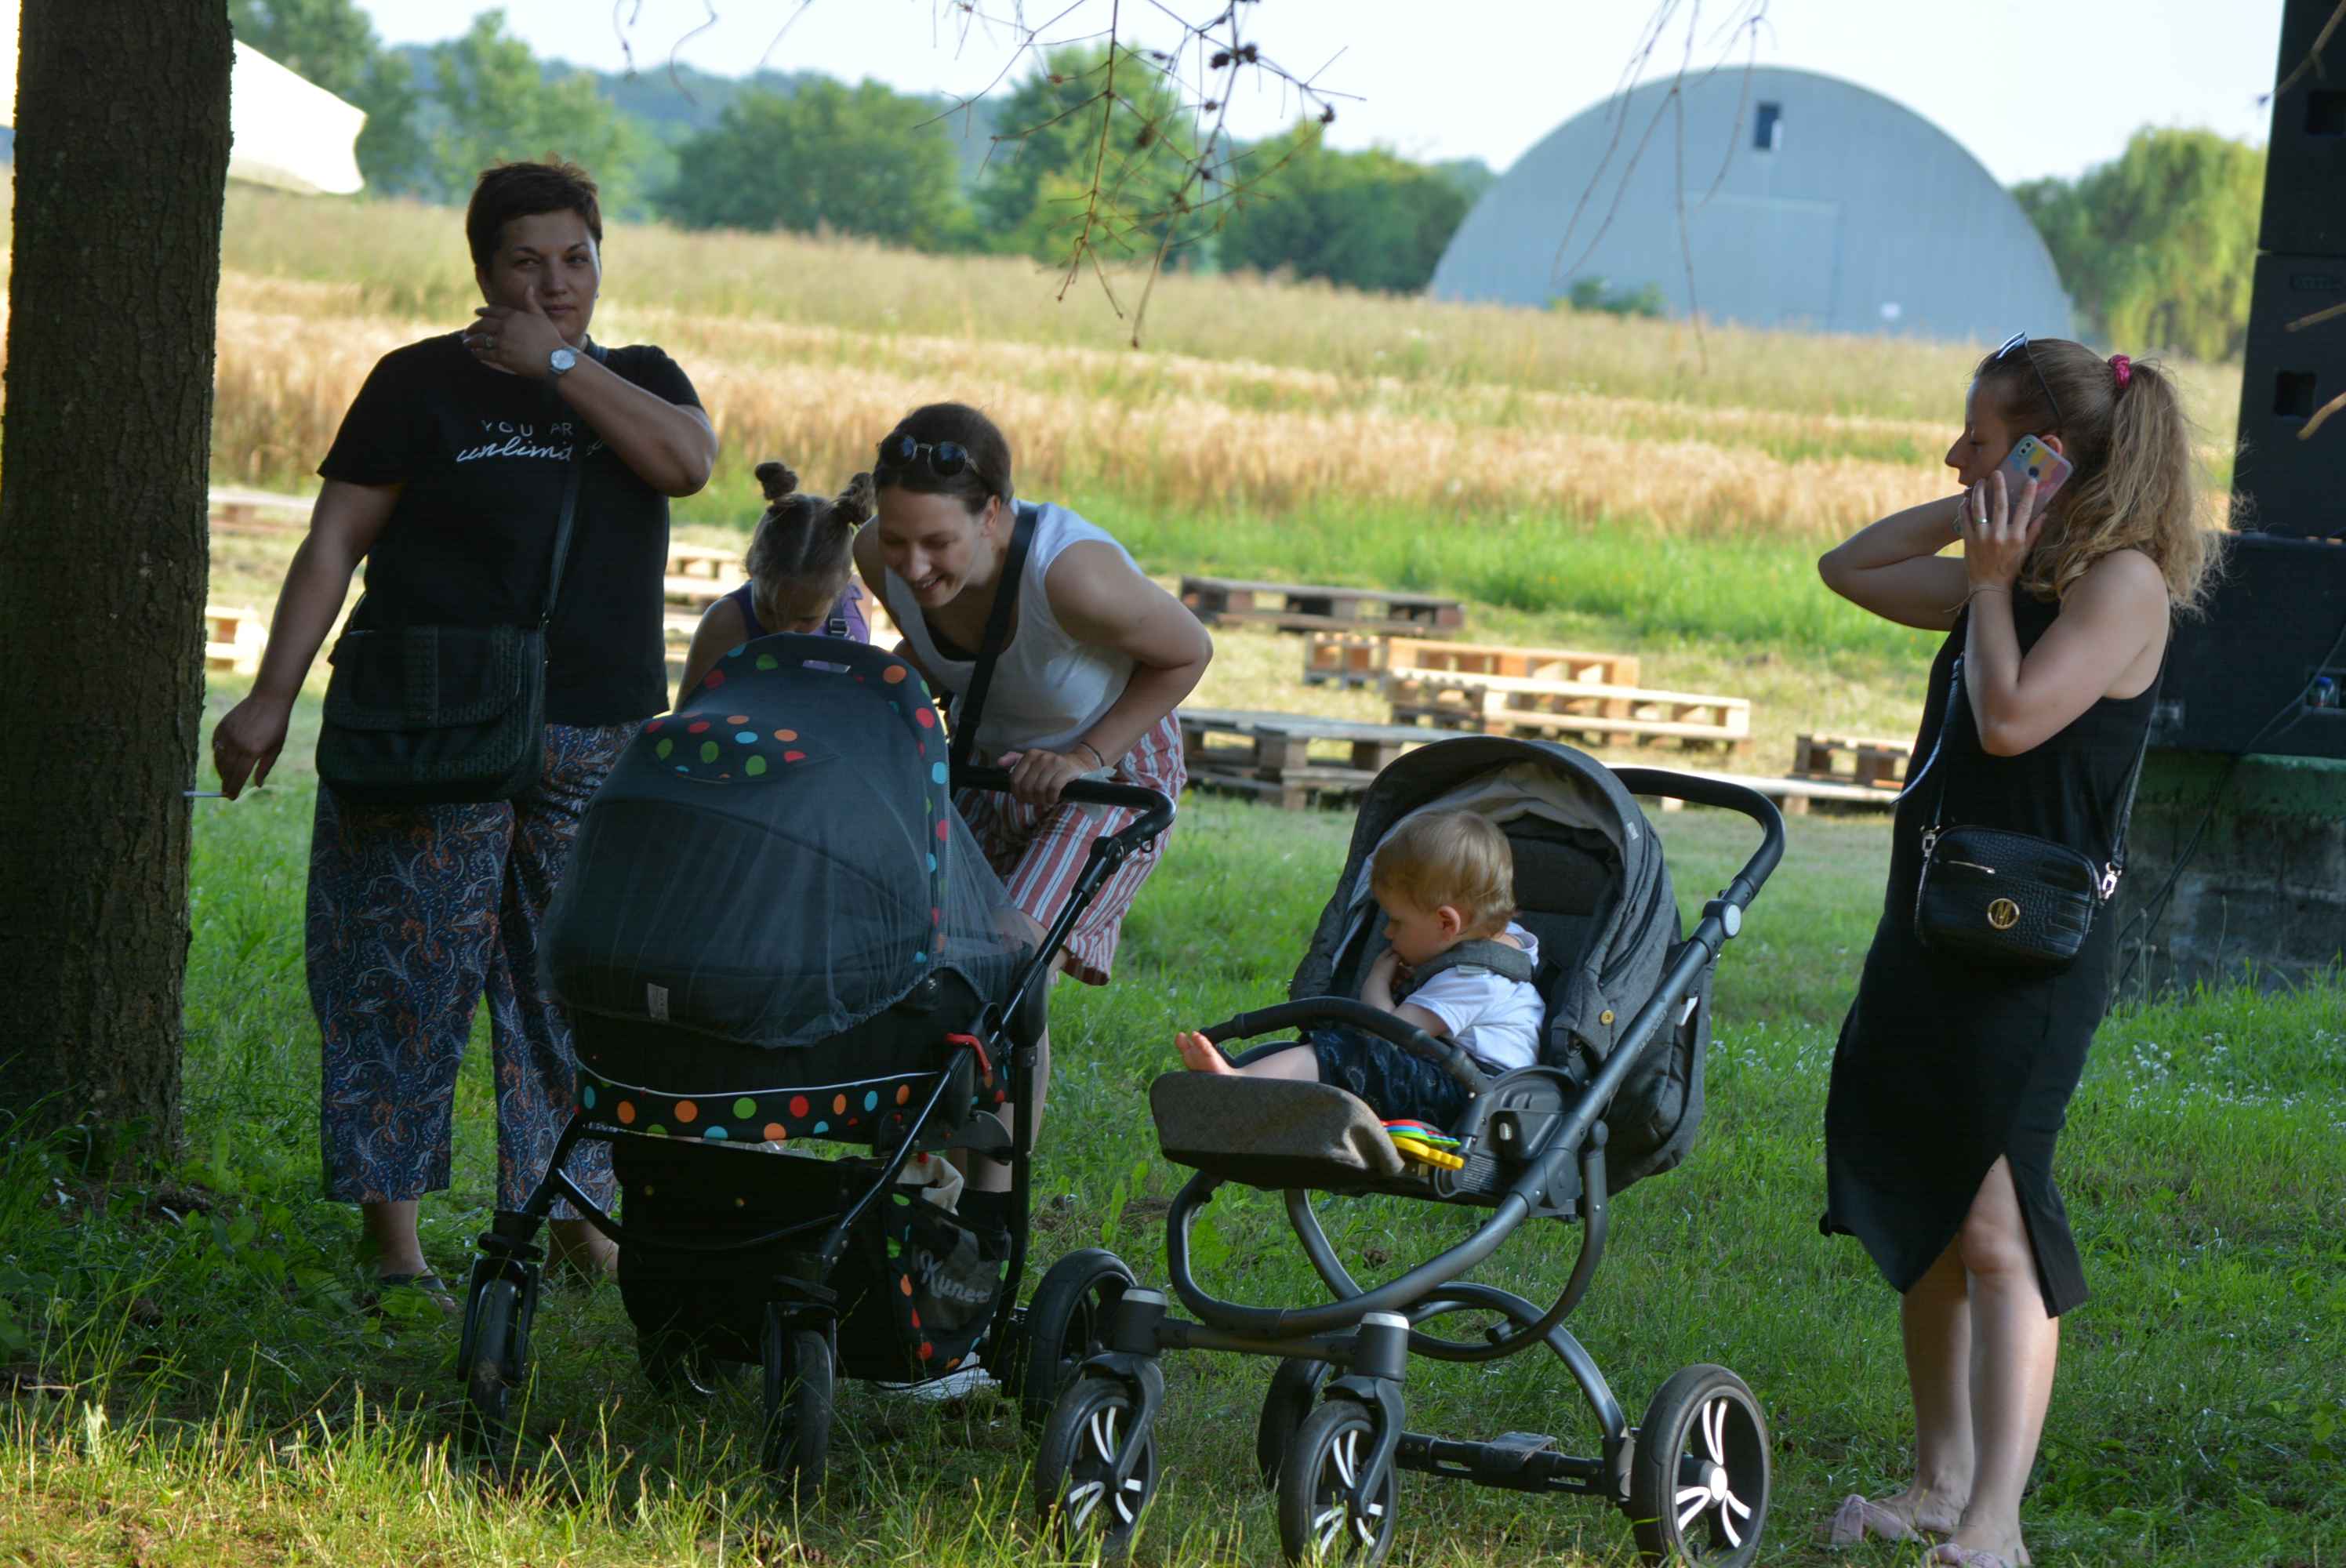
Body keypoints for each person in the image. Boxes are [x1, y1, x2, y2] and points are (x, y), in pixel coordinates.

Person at [209, 160, 717, 1308]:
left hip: (593, 736)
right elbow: (333, 544)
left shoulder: (638, 379)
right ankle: (394, 1245)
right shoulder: (416, 386)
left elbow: (686, 464)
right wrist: (269, 696)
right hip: (432, 726)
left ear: (600, 260)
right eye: (526, 263)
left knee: (569, 987)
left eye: (575, 259)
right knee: (402, 969)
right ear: (483, 271)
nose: (554, 282)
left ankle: (576, 1217)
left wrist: (560, 367)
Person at [1813, 337, 2217, 1568]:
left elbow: (2010, 718)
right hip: (1934, 926)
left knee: (1995, 1222)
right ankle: (1938, 1485)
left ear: (2058, 453)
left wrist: (1990, 576)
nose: (1952, 454)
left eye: (1978, 440)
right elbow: (1852, 565)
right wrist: (1992, 507)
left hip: (2032, 956)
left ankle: (1996, 1526)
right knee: (1926, 1208)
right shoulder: (2024, 562)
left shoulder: (2122, 587)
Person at [852, 401, 1210, 1243]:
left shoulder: (1070, 576)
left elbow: (1187, 651)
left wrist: (1084, 753)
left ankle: (991, 1206)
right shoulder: (878, 555)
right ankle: (915, 1164)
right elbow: (940, 663)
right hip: (992, 759)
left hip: (1110, 766)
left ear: (995, 514)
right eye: (899, 537)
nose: (913, 563)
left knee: (1012, 960)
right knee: (917, 947)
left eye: (937, 542)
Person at [1173, 810, 1542, 1129]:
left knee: (1353, 1054)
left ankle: (1240, 1084)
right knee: (1336, 1054)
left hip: (1473, 1098)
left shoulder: (1474, 978)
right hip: (1457, 1083)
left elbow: (1391, 1036)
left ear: (1447, 924)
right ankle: (1261, 1085)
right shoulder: (1497, 949)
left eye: (1397, 922)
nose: (1387, 933)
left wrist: (1376, 985)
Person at [675, 460, 873, 700]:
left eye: (806, 618)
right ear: (751, 564)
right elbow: (686, 720)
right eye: (769, 611)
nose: (783, 631)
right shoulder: (726, 622)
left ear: (845, 583)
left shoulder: (857, 607)